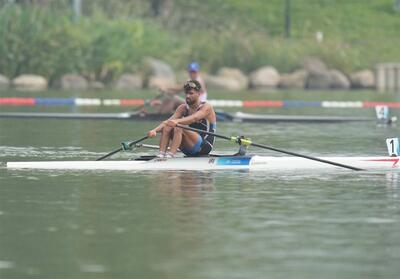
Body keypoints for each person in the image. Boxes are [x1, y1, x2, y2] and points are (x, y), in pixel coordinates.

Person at [147, 79, 216, 158]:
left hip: (204, 147)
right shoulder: (182, 108)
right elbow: (167, 122)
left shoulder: (206, 107)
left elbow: (194, 118)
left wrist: (176, 122)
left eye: (191, 93)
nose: (187, 96)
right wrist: (154, 130)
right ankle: (161, 154)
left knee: (178, 126)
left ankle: (171, 155)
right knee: (168, 126)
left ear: (198, 94)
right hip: (188, 148)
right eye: (186, 93)